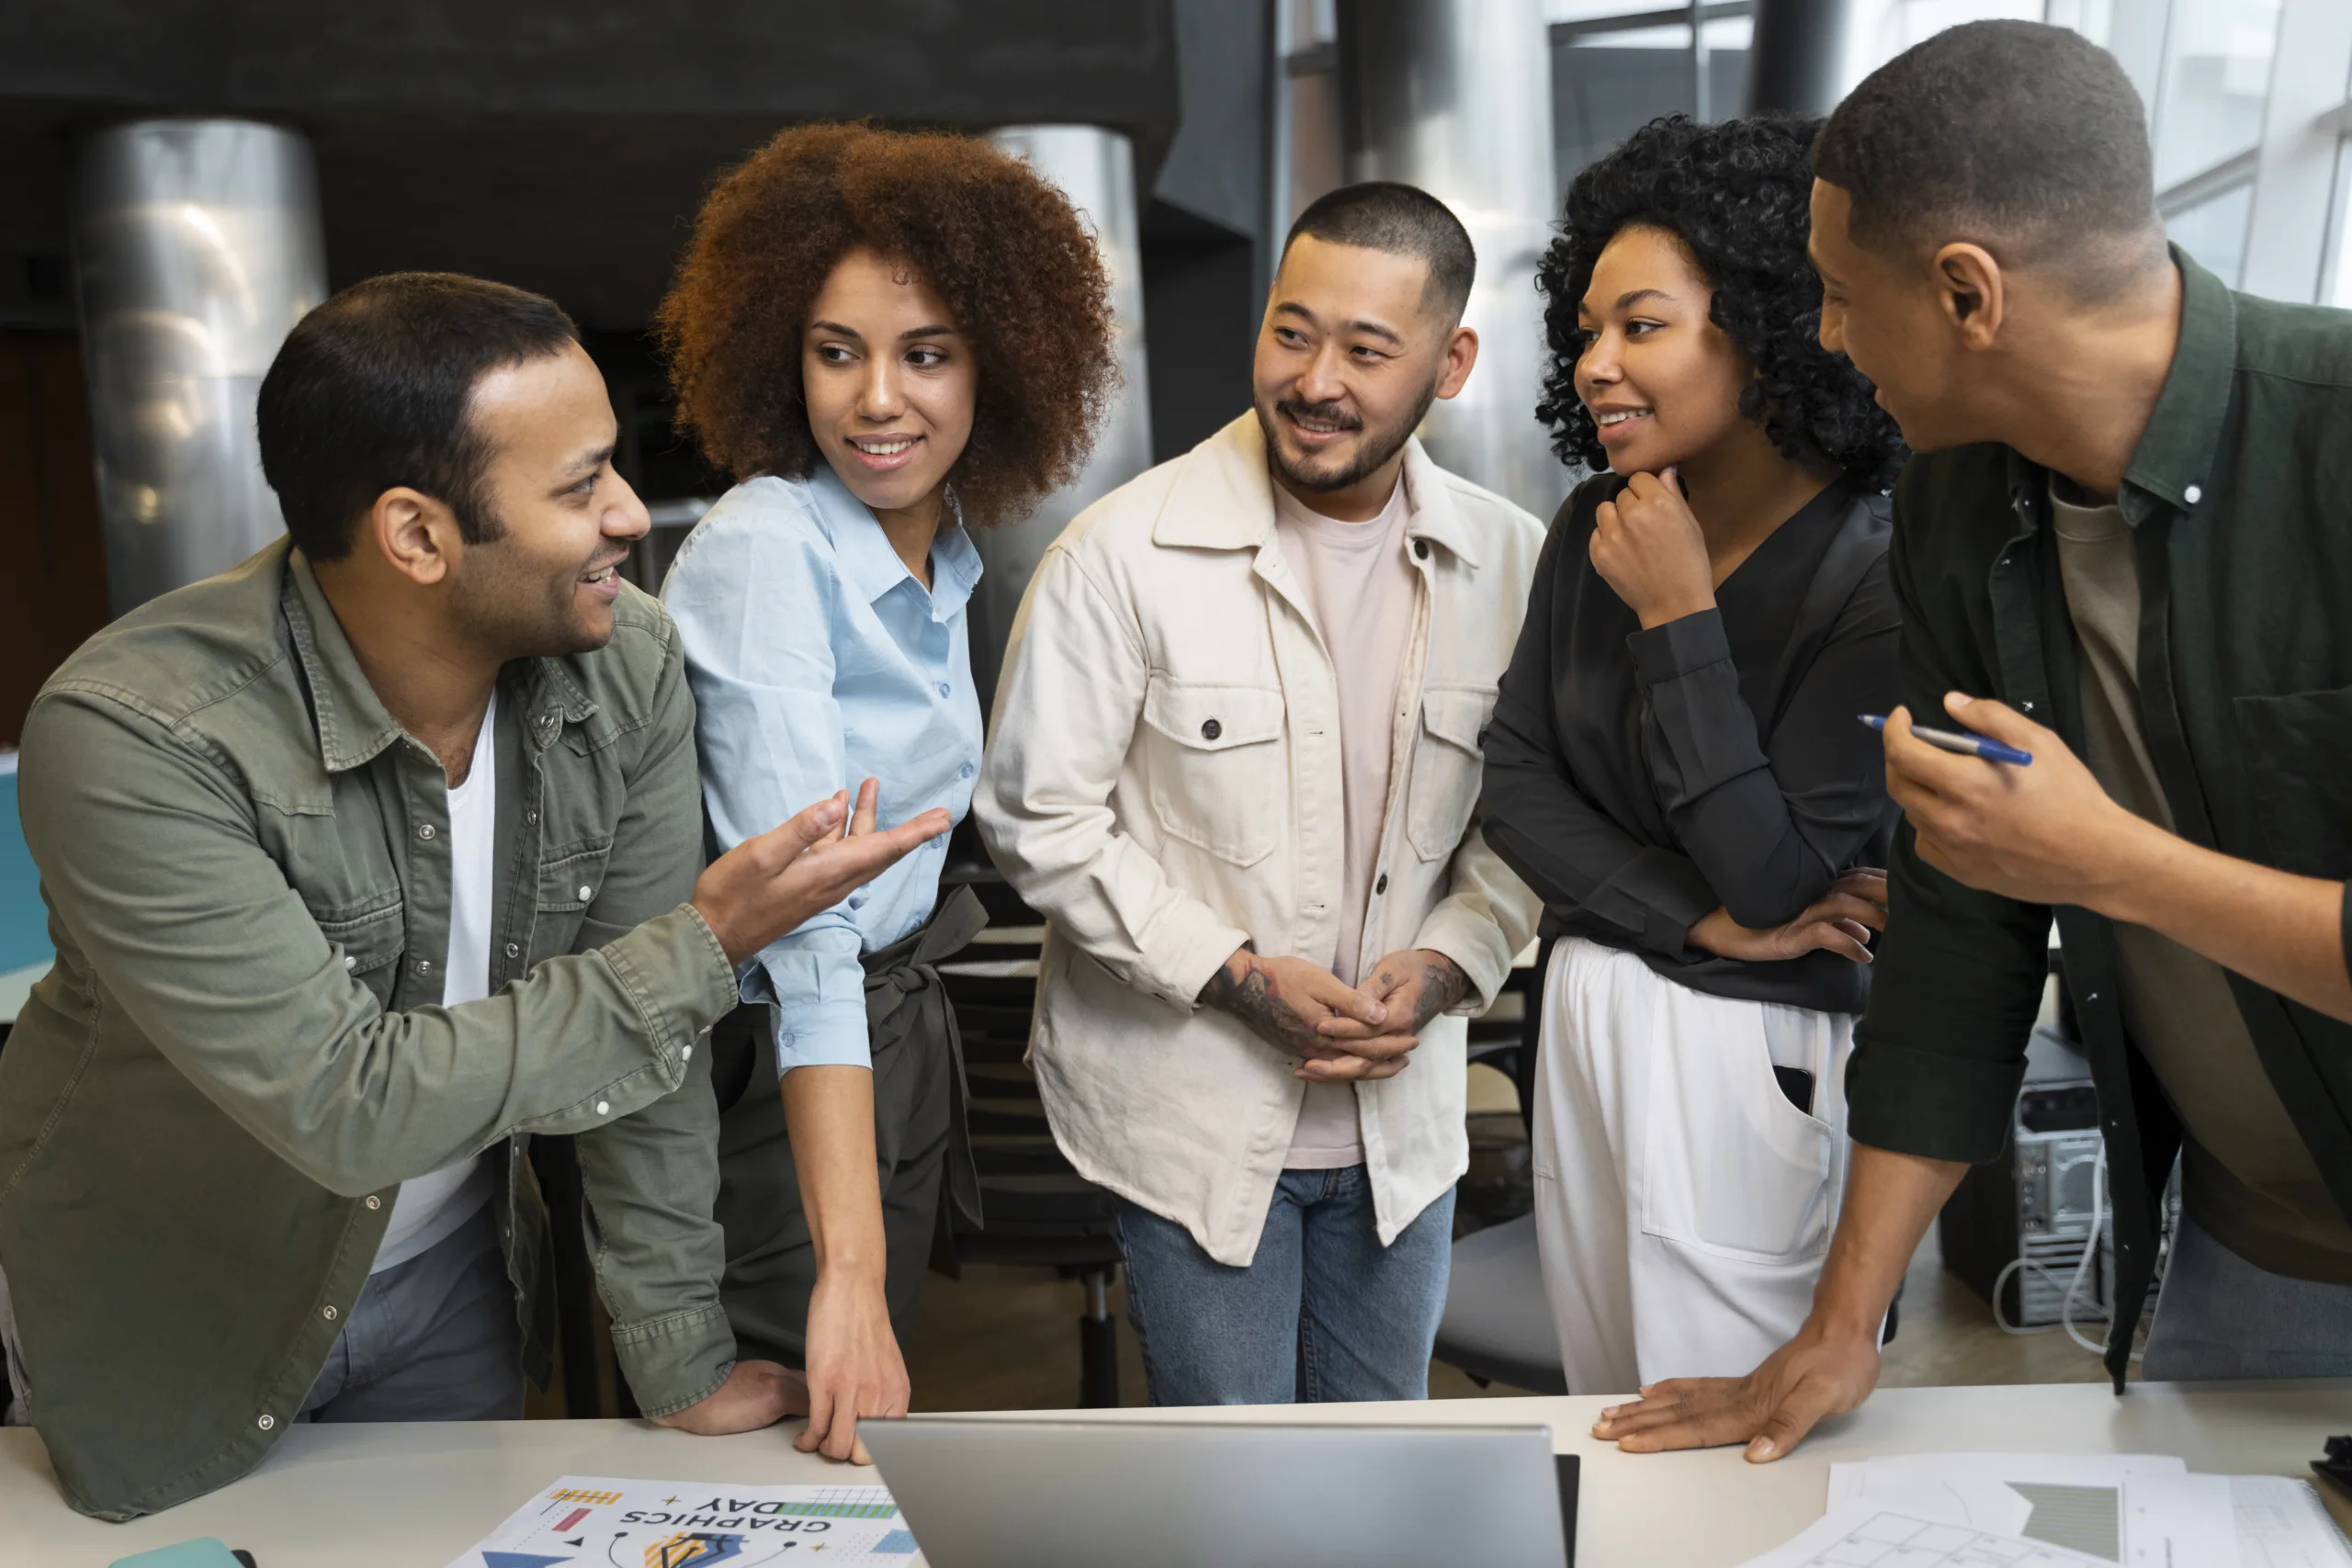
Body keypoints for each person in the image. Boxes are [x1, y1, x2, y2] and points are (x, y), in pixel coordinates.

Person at [0, 273, 946, 1519]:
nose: (626, 513)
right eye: (577, 486)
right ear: (418, 536)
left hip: (447, 1286)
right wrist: (707, 942)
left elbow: (641, 1062)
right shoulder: (136, 736)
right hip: (175, 1311)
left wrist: (678, 1355)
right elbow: (347, 1102)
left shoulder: (625, 664)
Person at [1597, 21, 2352, 1463]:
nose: (1822, 338)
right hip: (2256, 1252)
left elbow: (2074, 866)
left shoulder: (2336, 437)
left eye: (1835, 294)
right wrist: (1840, 1325)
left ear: (1965, 292)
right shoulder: (1955, 511)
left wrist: (2109, 863)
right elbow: (1958, 937)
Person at [976, 182, 1544, 1405]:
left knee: (1379, 1488)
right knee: (1235, 1495)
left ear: (1450, 363)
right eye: (1292, 331)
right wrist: (1237, 976)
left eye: (1366, 348)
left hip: (1406, 1136)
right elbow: (1038, 817)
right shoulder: (1121, 555)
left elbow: (1531, 822)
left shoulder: (1514, 563)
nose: (1315, 379)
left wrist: (1448, 962)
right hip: (1189, 1127)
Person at [656, 123, 1119, 1461]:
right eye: (835, 350)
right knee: (769, 1466)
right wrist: (844, 1271)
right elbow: (805, 934)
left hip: (894, 1034)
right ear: (779, 356)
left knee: (850, 1452)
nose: (876, 399)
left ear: (1001, 366)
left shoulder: (944, 561)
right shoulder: (764, 552)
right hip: (779, 1070)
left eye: (925, 353)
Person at [1481, 114, 1908, 1397]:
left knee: (1732, 1437)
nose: (1596, 362)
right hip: (1588, 1011)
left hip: (1749, 1049)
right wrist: (1689, 917)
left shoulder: (1874, 575)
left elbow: (1775, 885)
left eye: (1642, 325)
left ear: (1768, 325)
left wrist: (1679, 618)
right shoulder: (1596, 520)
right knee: (1615, 1416)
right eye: (1589, 329)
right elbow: (1511, 779)